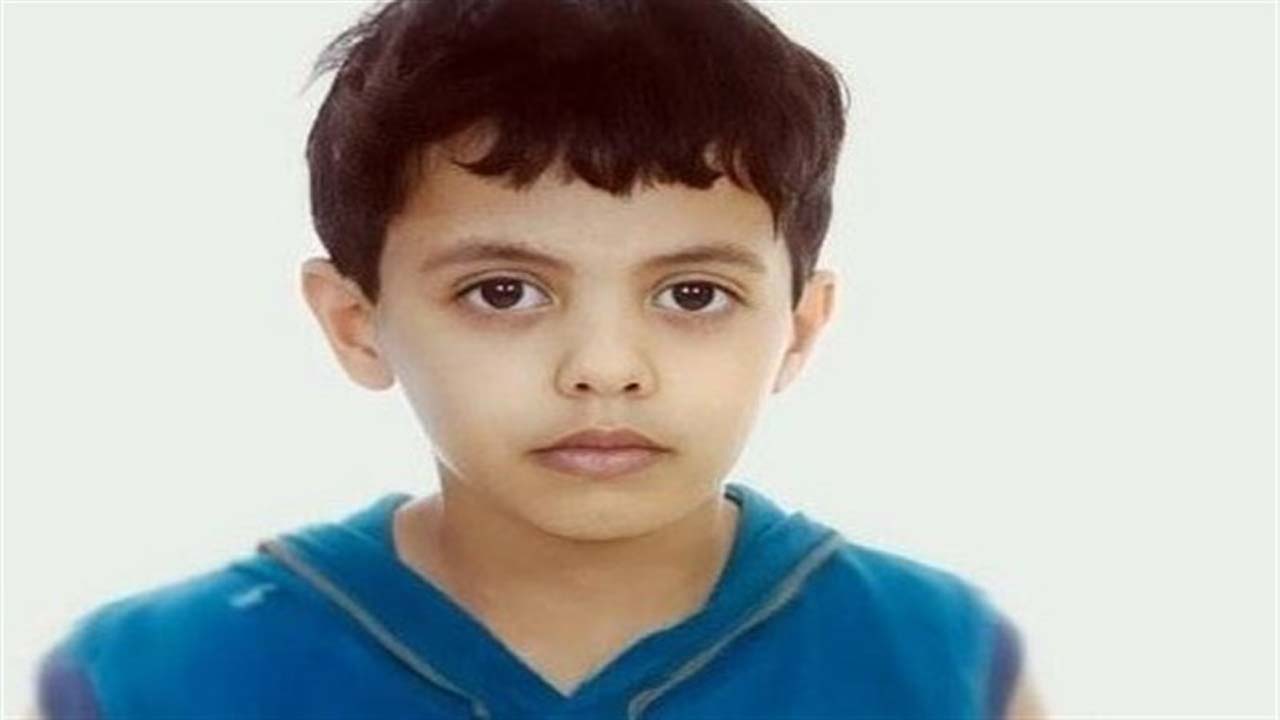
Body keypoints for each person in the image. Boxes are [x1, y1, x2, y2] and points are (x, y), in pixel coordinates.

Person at [34, 0, 1047, 717]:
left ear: (800, 326)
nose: (604, 367)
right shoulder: (153, 682)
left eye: (693, 295)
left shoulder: (947, 669)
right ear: (354, 322)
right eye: (503, 292)